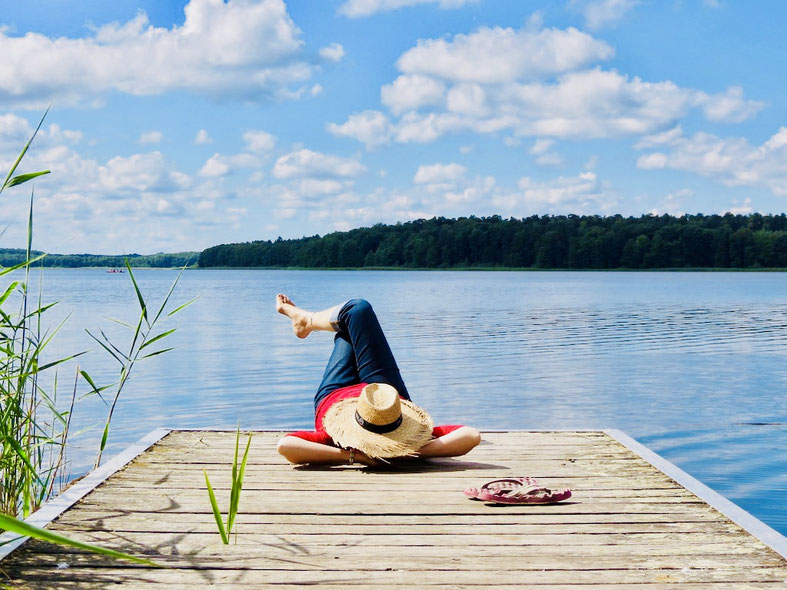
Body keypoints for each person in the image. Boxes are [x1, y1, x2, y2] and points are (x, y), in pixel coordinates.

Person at [275, 295, 481, 466]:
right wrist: (407, 451)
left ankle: (304, 320)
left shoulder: (338, 438)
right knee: (357, 313)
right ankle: (305, 320)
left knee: (351, 320)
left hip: (335, 394)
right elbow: (471, 435)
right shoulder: (410, 439)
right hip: (384, 393)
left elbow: (286, 446)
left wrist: (355, 456)